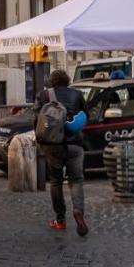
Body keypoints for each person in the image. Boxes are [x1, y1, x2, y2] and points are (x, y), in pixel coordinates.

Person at [35, 69, 90, 236]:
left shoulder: (43, 96)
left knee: (56, 182)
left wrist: (41, 141)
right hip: (75, 144)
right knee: (76, 180)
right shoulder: (77, 94)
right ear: (68, 81)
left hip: (53, 145)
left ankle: (60, 220)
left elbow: (36, 121)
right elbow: (87, 115)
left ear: (52, 82)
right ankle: (78, 211)